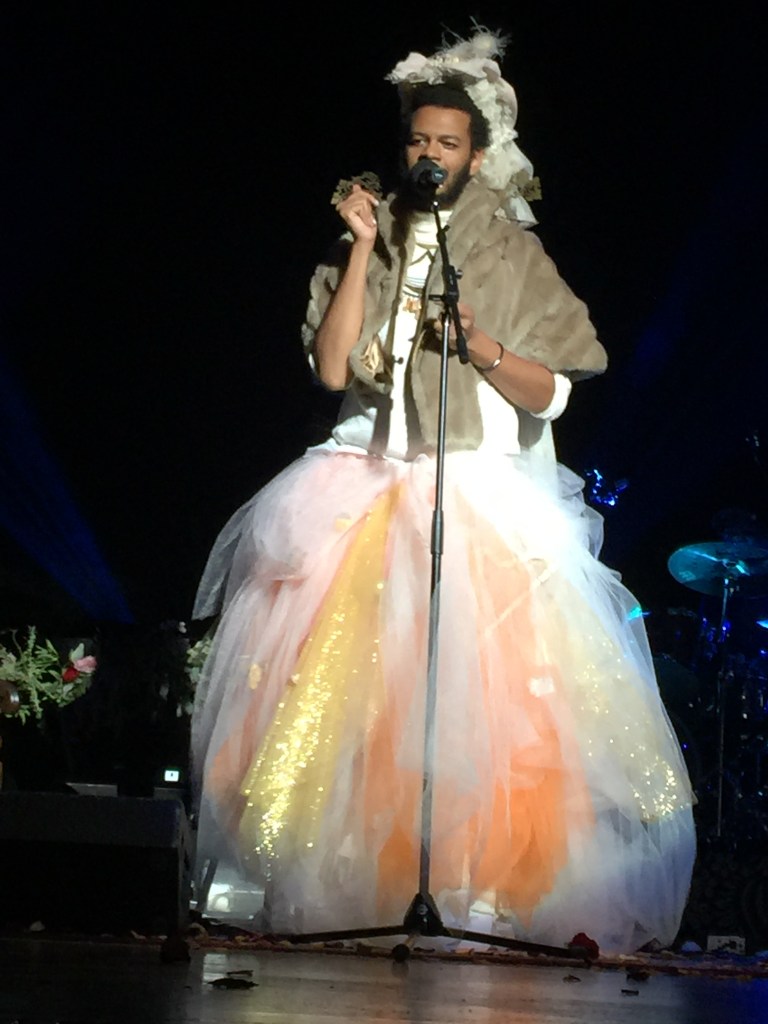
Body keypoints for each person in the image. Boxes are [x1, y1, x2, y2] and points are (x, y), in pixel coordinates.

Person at [190, 29, 695, 954]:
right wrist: (360, 249)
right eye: (419, 139)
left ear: (476, 155)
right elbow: (332, 367)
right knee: (344, 701)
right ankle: (343, 885)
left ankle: (473, 890)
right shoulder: (368, 239)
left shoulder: (508, 254)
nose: (430, 154)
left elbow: (558, 388)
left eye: (448, 143)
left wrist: (484, 347)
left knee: (482, 708)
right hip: (365, 480)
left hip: (474, 492)